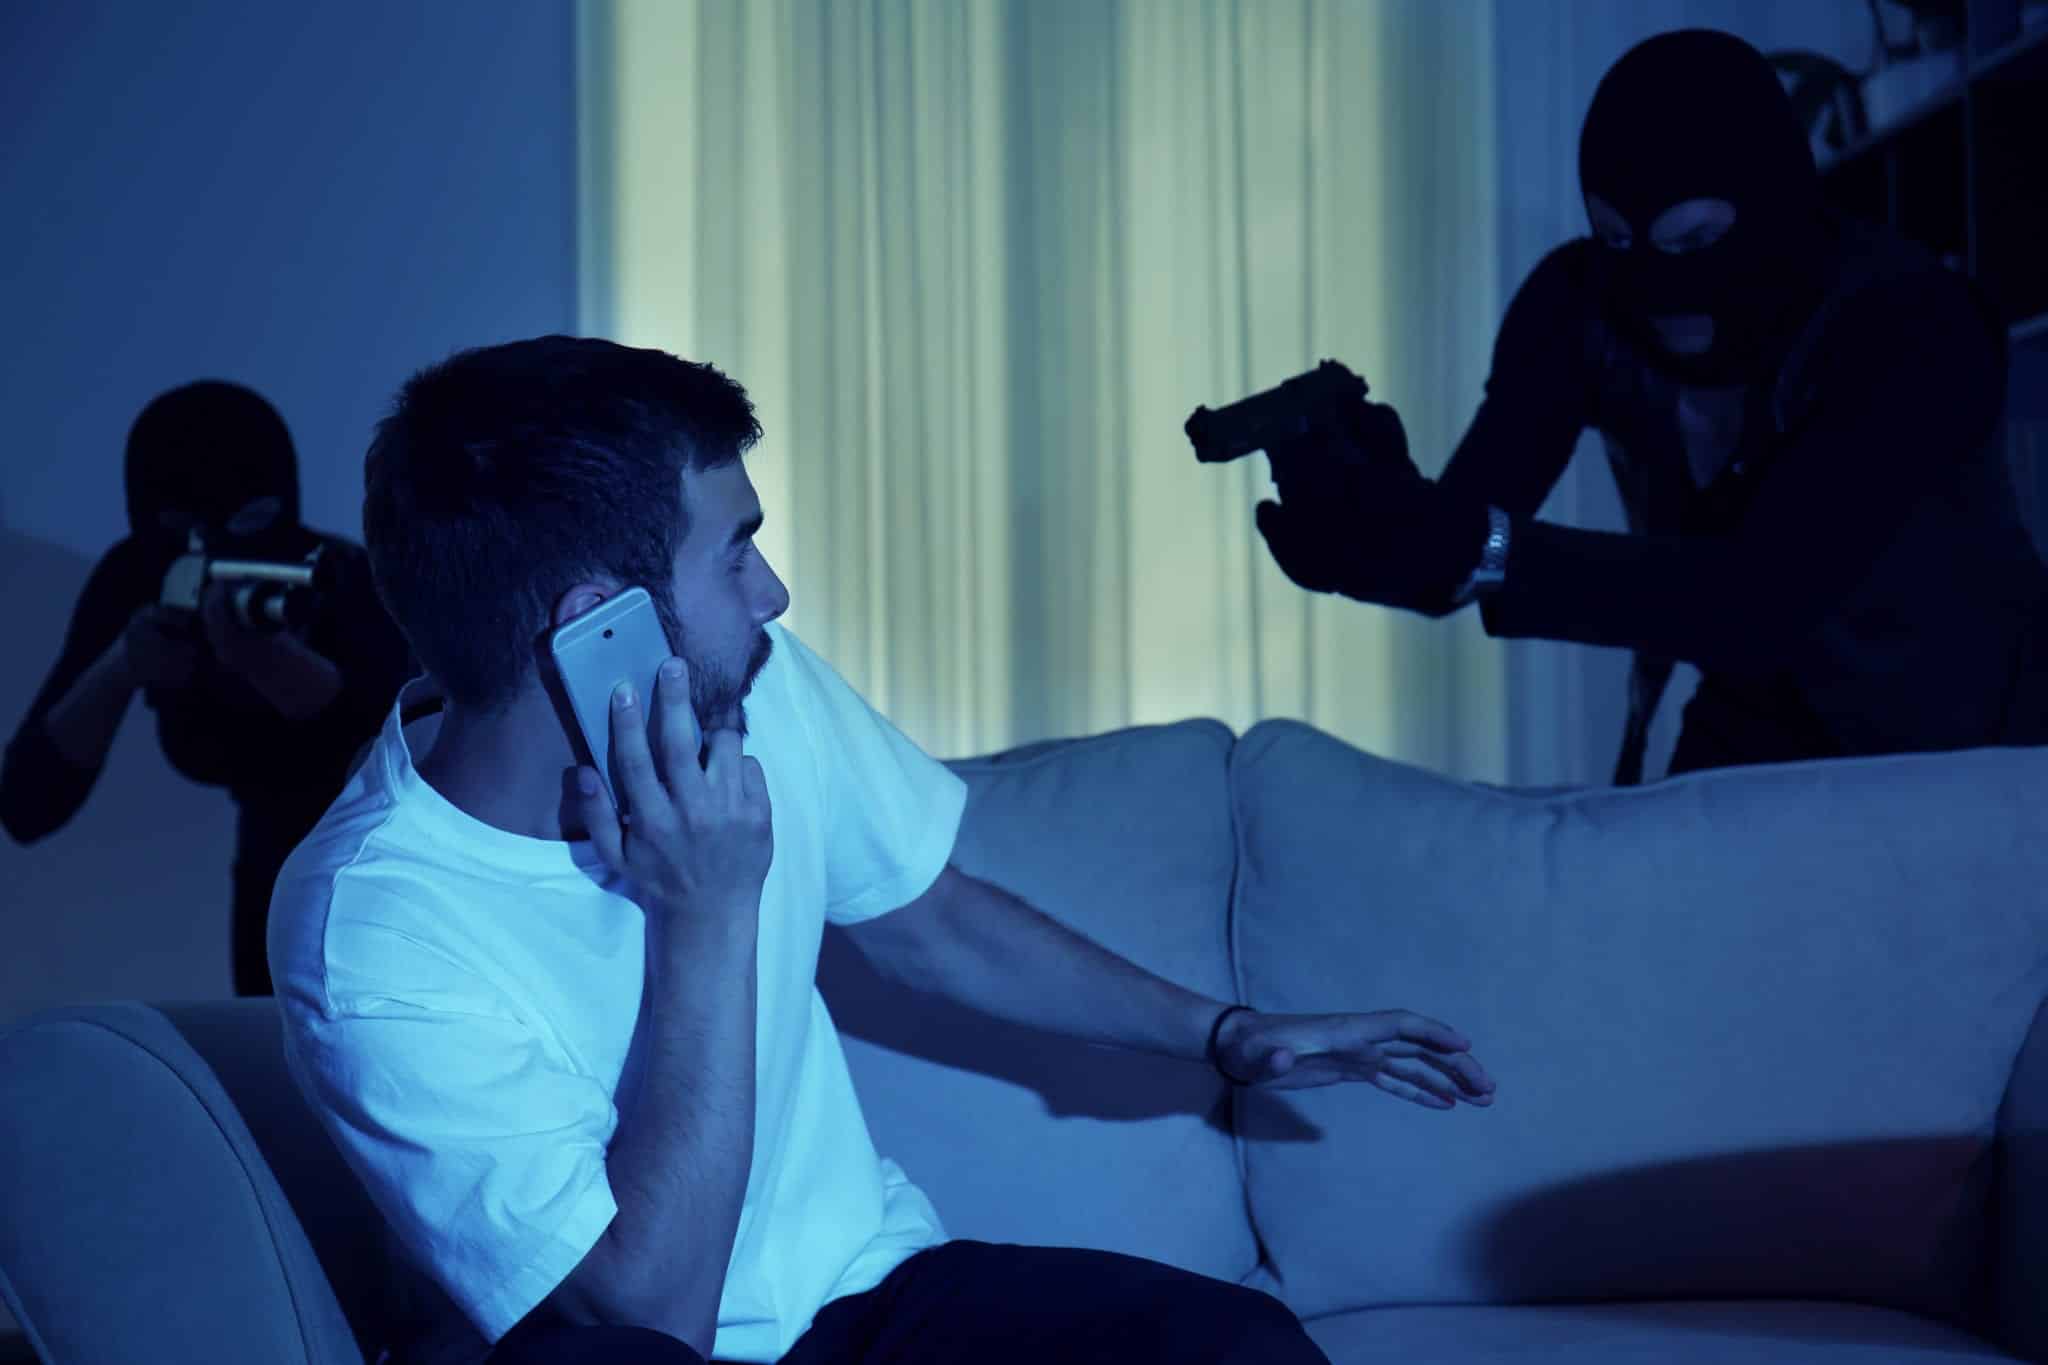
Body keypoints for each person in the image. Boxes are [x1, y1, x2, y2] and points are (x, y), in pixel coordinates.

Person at [266, 335, 1497, 1365]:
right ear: (604, 628)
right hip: (654, 1348)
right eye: (735, 550)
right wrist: (706, 918)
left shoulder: (746, 688)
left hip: (873, 1304)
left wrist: (1224, 1034)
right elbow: (648, 1321)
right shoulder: (372, 925)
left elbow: (928, 917)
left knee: (1232, 1349)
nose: (773, 597)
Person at [1248, 28, 2048, 784]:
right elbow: (1460, 557)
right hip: (1754, 717)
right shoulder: (1582, 309)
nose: (1657, 286)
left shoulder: (1911, 326)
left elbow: (1759, 598)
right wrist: (1372, 521)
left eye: (1693, 242)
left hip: (1976, 752)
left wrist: (1462, 540)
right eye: (1617, 240)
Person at [0, 380, 413, 995]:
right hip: (266, 875)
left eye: (249, 519)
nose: (214, 544)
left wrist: (272, 665)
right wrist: (122, 667)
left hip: (372, 882)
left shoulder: (337, 580)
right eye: (183, 526)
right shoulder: (138, 574)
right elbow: (29, 800)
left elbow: (404, 765)